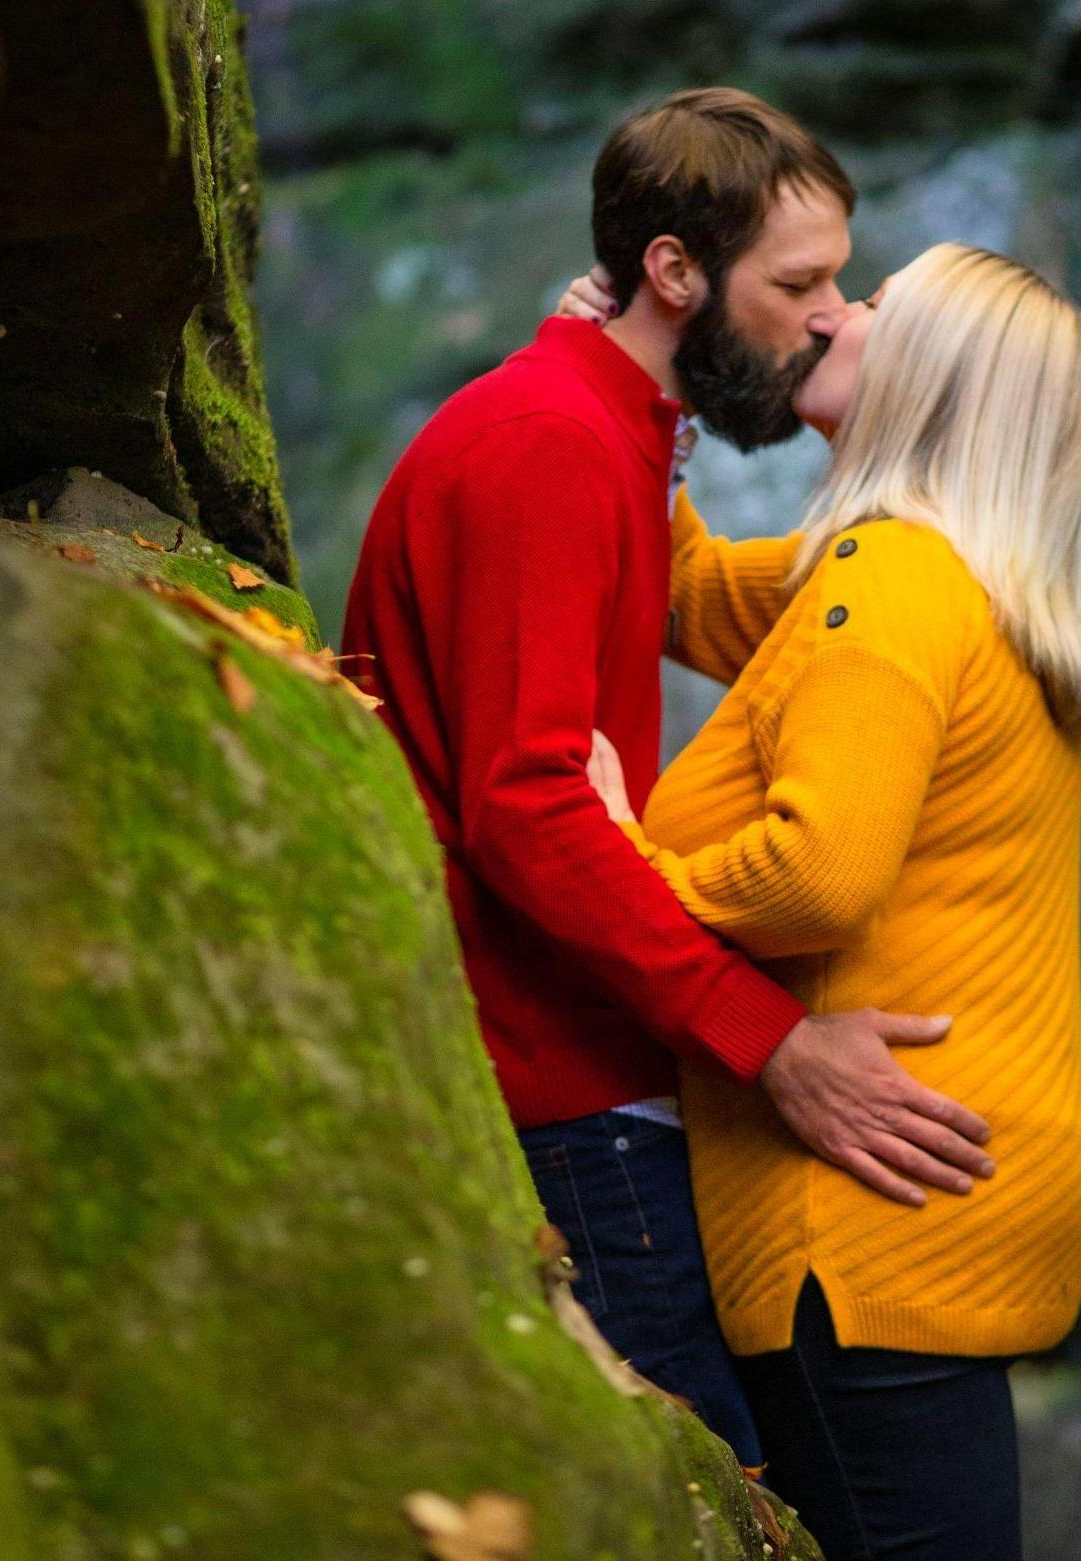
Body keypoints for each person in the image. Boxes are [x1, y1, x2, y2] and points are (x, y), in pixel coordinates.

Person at [339, 91, 995, 1472]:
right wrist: (771, 1042)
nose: (830, 316)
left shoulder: (603, 432)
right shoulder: (548, 443)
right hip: (566, 1093)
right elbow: (527, 808)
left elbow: (790, 606)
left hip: (605, 1078)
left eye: (837, 281)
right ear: (675, 270)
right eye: (797, 286)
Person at [569, 243, 1081, 1559]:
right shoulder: (948, 575)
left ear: (927, 371)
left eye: (874, 301)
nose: (835, 314)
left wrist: (622, 860)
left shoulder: (889, 579)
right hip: (963, 1178)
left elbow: (816, 873)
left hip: (871, 1203)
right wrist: (635, 375)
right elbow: (686, 592)